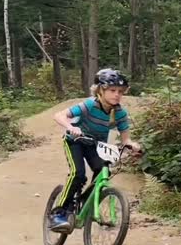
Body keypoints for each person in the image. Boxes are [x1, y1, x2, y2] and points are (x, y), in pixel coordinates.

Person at [49, 68, 141, 233]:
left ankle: (87, 201)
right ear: (101, 90)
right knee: (78, 174)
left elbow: (126, 138)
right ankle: (59, 212)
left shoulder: (120, 113)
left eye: (121, 91)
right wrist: (71, 127)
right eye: (112, 90)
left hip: (95, 145)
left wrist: (131, 145)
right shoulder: (89, 105)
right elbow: (59, 115)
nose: (117, 95)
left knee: (102, 171)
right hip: (75, 141)